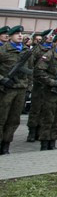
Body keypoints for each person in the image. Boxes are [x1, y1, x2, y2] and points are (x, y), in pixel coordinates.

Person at [0, 26, 32, 154]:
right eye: (17, 34)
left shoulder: (26, 51)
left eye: (21, 33)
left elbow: (30, 71)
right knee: (1, 118)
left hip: (21, 89)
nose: (20, 36)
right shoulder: (3, 50)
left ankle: (6, 144)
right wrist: (2, 79)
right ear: (10, 36)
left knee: (14, 119)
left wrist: (28, 87)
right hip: (6, 89)